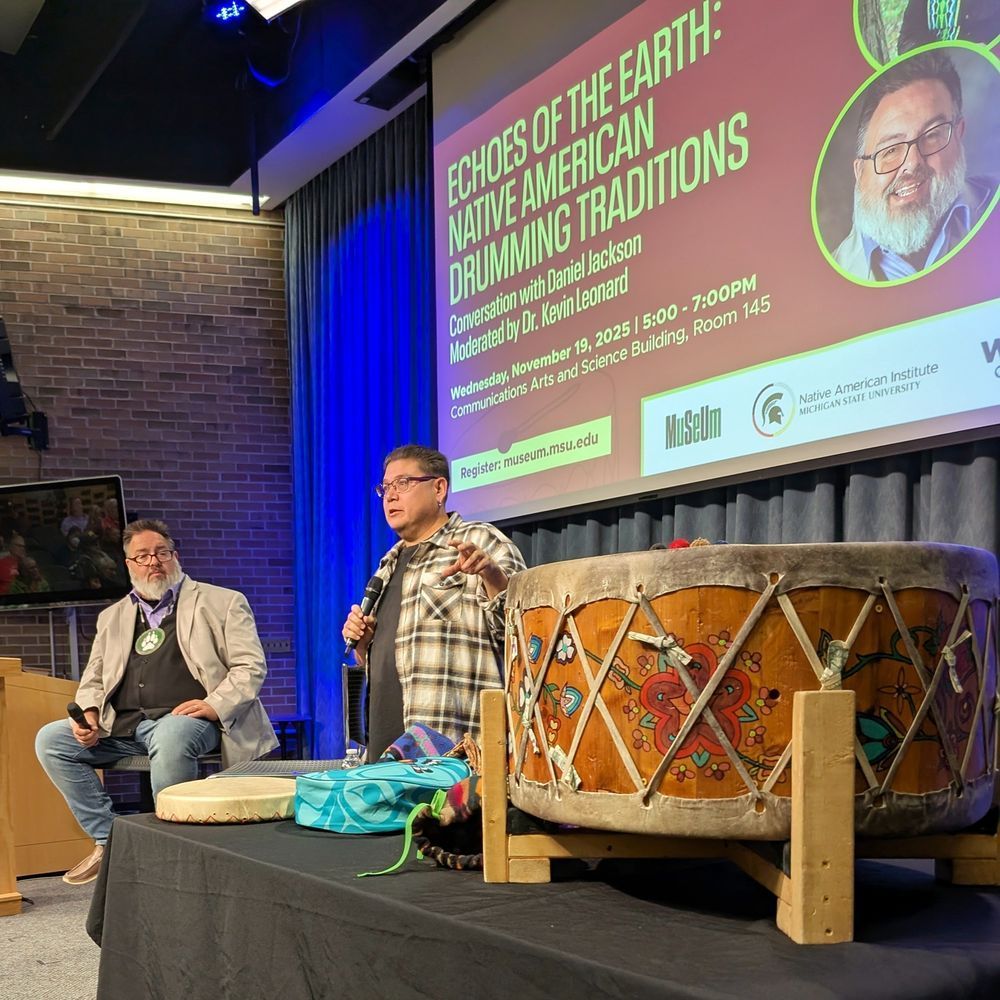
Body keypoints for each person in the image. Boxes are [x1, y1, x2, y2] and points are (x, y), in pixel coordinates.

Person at [35, 518, 278, 884]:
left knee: (172, 734)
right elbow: (94, 678)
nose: (153, 562)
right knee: (51, 739)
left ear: (175, 556)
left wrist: (214, 704)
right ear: (129, 565)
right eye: (142, 556)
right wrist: (87, 711)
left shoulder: (222, 602)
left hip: (195, 721)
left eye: (161, 553)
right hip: (124, 724)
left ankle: (174, 852)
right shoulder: (113, 616)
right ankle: (110, 839)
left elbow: (250, 666)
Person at [341, 445, 526, 760]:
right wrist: (364, 647)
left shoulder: (481, 541)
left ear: (439, 488)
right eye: (385, 487)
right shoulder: (388, 564)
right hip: (387, 750)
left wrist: (493, 576)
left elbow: (523, 635)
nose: (390, 496)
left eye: (403, 483)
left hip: (451, 753)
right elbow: (397, 657)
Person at [833, 51, 997, 281]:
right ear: (860, 173)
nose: (911, 163)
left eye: (931, 136)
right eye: (890, 150)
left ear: (958, 134)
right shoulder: (826, 278)